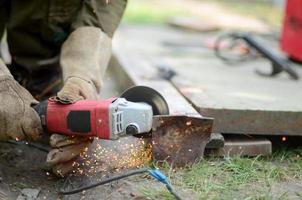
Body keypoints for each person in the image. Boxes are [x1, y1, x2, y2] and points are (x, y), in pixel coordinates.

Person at [0, 0, 127, 177]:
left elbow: (101, 11)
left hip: (54, 64)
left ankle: (42, 81)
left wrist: (82, 79)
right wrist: (2, 85)